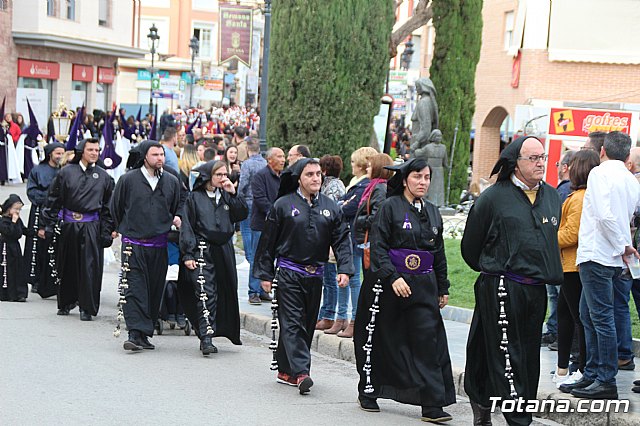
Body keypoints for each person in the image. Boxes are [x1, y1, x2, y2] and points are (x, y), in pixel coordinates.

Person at [461, 136, 563, 426]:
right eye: (533, 158)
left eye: (543, 157)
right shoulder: (493, 197)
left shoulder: (552, 196)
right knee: (508, 351)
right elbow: (471, 247)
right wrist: (494, 270)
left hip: (536, 289)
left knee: (525, 353)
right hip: (502, 286)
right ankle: (518, 419)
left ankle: (482, 400)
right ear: (515, 164)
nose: (541, 162)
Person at [354, 158, 455, 423]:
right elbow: (378, 246)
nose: (422, 182)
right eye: (417, 177)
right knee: (383, 340)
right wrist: (393, 277)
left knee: (428, 343)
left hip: (423, 286)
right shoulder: (390, 207)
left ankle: (432, 404)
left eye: (426, 178)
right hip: (391, 287)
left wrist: (442, 286)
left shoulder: (432, 212)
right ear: (406, 179)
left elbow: (439, 252)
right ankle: (369, 389)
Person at [253, 158, 353, 395]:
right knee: (293, 322)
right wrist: (265, 273)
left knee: (306, 324)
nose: (316, 178)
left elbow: (341, 240)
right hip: (289, 273)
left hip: (315, 275)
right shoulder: (283, 205)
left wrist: (345, 269)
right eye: (310, 174)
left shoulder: (331, 207)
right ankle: (302, 373)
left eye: (318, 174)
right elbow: (267, 242)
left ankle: (286, 370)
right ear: (299, 178)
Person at [562, 131, 640, 400]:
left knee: (601, 318)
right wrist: (623, 245)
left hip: (598, 254)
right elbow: (624, 217)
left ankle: (605, 379)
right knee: (588, 315)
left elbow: (606, 216)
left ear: (603, 150)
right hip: (610, 255)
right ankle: (593, 373)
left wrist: (622, 244)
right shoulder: (631, 180)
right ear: (628, 156)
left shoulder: (599, 173)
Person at [111, 141, 182, 351]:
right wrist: (123, 227)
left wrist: (177, 217)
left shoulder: (171, 181)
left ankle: (144, 333)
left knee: (153, 288)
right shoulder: (128, 180)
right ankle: (134, 333)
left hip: (159, 245)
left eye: (162, 154)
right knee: (134, 287)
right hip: (134, 244)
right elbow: (116, 207)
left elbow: (178, 203)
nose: (160, 158)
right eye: (155, 155)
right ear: (145, 157)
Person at [41, 138, 116, 320]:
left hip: (91, 226)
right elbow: (53, 199)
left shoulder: (104, 177)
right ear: (82, 150)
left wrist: (107, 230)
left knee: (89, 268)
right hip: (69, 226)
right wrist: (49, 224)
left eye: (97, 150)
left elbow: (108, 207)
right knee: (66, 264)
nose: (94, 153)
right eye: (90, 149)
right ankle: (66, 302)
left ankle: (87, 307)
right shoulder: (66, 173)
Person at [179, 160, 248, 355]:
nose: (223, 178)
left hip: (224, 250)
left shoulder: (227, 195)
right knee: (205, 291)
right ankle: (206, 336)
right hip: (203, 249)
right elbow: (188, 227)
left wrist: (234, 194)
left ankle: (221, 329)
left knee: (225, 290)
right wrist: (188, 253)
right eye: (219, 175)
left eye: (225, 174)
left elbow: (241, 214)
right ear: (209, 176)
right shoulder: (195, 198)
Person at [317, 147, 377, 332]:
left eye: (353, 162)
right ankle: (341, 317)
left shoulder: (364, 185)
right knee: (341, 276)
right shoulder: (354, 183)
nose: (351, 165)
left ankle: (354, 319)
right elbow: (341, 203)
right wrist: (341, 204)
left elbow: (346, 207)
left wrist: (341, 205)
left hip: (356, 236)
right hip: (346, 235)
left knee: (353, 279)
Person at [552, 150, 599, 388]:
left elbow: (572, 233)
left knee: (579, 318)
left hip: (574, 266)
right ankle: (564, 368)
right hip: (569, 264)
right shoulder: (577, 196)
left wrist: (547, 237)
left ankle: (581, 368)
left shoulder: (580, 198)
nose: (567, 169)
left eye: (572, 166)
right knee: (566, 314)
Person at [24, 142, 65, 297]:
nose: (60, 156)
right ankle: (36, 279)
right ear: (50, 154)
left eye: (62, 153)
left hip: (58, 213)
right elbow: (32, 191)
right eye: (57, 153)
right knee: (39, 245)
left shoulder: (65, 170)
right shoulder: (37, 170)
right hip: (40, 211)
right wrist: (49, 198)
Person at [248, 147, 285, 305]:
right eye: (279, 156)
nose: (283, 160)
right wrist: (276, 213)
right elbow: (260, 199)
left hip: (278, 225)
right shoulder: (260, 176)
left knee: (271, 257)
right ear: (270, 160)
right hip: (262, 224)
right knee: (258, 257)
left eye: (284, 156)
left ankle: (265, 289)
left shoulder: (283, 177)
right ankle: (253, 291)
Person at [316, 155, 346, 333]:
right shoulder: (333, 184)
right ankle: (325, 313)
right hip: (325, 237)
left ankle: (328, 314)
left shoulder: (332, 187)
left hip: (329, 238)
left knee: (330, 280)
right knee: (327, 279)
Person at [238, 138, 267, 303]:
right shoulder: (265, 164)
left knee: (249, 238)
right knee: (261, 248)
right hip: (262, 208)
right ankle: (262, 288)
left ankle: (253, 289)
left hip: (249, 203)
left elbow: (243, 185)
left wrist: (237, 198)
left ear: (248, 148)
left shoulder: (247, 164)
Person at [0, 194, 27, 302]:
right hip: (6, 248)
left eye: (19, 210)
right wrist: (13, 222)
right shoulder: (3, 221)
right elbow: (9, 232)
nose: (17, 212)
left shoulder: (17, 220)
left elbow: (23, 230)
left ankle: (20, 293)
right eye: (15, 209)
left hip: (15, 248)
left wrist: (37, 233)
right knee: (8, 271)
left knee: (18, 270)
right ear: (9, 208)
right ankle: (8, 293)